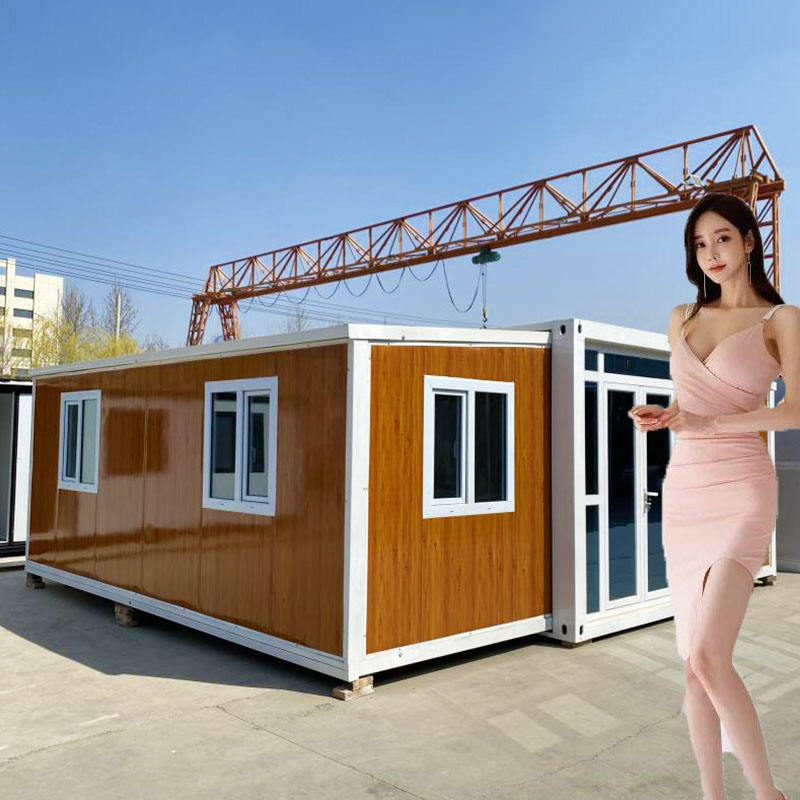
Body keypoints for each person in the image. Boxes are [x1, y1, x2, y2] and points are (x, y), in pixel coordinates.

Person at [628, 192, 797, 800]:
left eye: (723, 238)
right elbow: (693, 404)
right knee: (693, 667)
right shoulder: (682, 317)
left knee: (708, 653)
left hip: (743, 491)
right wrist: (670, 416)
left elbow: (794, 411)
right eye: (700, 244)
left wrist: (709, 424)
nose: (712, 253)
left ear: (749, 241)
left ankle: (769, 795)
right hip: (686, 493)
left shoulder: (781, 320)